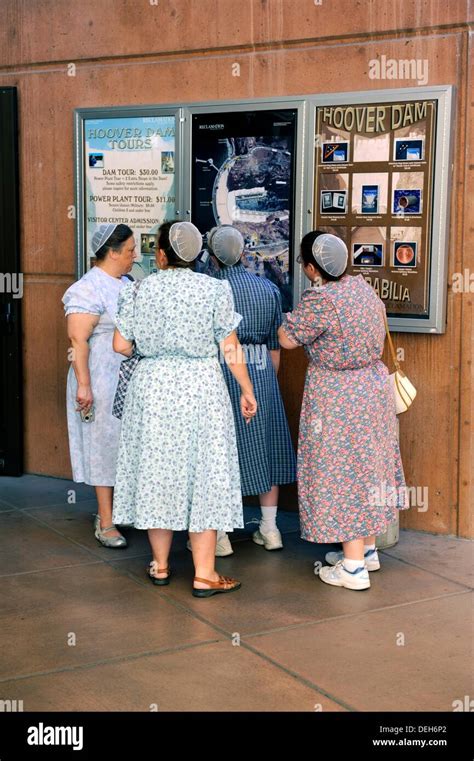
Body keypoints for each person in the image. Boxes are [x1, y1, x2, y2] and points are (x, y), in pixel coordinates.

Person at [112, 221, 258, 597]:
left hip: (153, 389)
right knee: (204, 475)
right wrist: (246, 388)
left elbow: (119, 345)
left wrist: (152, 352)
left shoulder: (138, 290)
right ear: (195, 255)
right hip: (201, 390)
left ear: (161, 254)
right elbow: (229, 348)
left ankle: (160, 566)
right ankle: (204, 573)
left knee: (157, 472)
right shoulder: (214, 289)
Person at [279, 231, 408, 591]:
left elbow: (287, 339)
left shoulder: (320, 299)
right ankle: (367, 551)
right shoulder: (362, 289)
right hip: (373, 388)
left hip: (338, 394)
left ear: (310, 266)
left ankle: (352, 568)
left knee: (343, 469)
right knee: (369, 465)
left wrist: (288, 319)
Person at [197, 225, 296, 554]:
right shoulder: (267, 288)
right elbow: (275, 347)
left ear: (213, 257)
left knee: (221, 452)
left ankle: (222, 536)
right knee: (266, 449)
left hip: (222, 371)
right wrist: (266, 382)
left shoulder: (209, 290)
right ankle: (271, 530)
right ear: (241, 253)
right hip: (262, 371)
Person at [62, 223, 137, 548]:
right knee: (103, 443)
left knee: (124, 444)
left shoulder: (128, 283)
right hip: (100, 376)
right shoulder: (87, 288)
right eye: (131, 249)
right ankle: (105, 521)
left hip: (128, 375)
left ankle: (121, 510)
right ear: (113, 252)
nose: (136, 255)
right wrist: (84, 386)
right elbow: (78, 341)